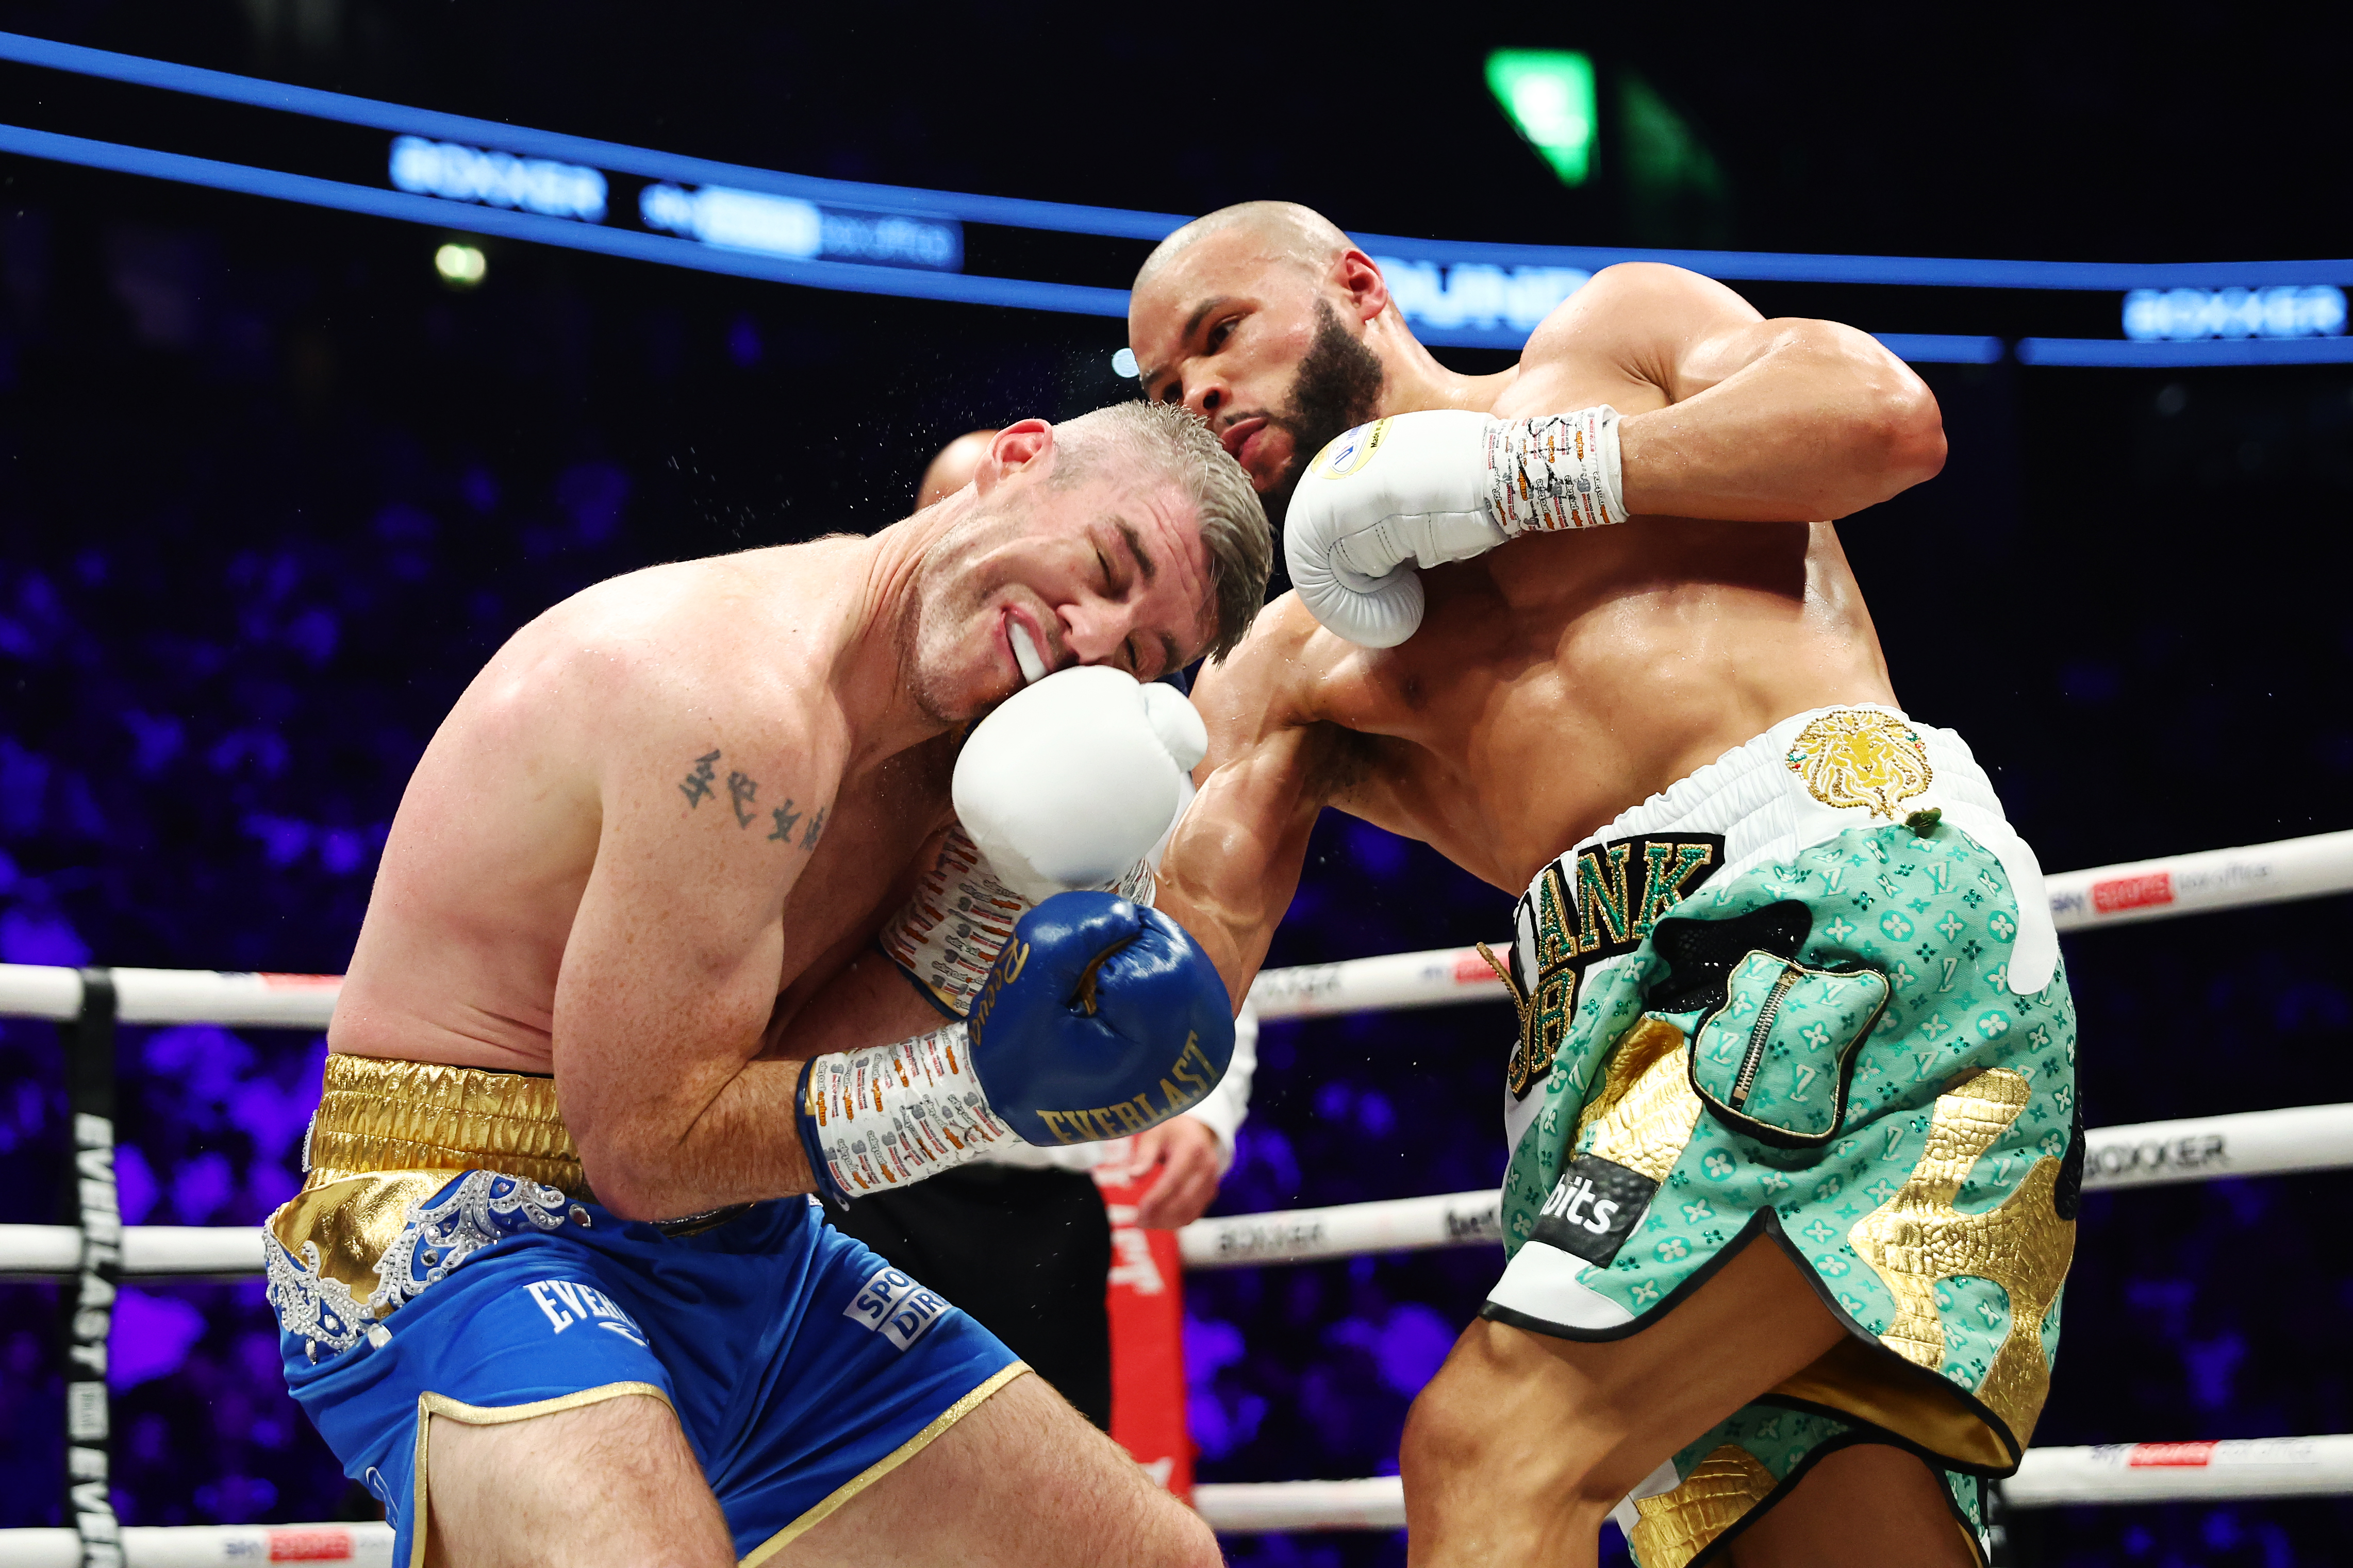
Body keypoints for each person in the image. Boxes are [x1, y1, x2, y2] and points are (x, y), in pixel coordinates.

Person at [1131, 202, 2078, 1567]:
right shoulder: (1288, 664)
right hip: (1598, 1047)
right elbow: (1181, 960)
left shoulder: (1609, 342)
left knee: (1489, 1451)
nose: (1200, 394)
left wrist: (1527, 475)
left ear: (1355, 285)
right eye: (1165, 388)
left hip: (1843, 915)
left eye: (1220, 335)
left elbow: (1885, 424)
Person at [262, 401, 1272, 1568]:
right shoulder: (734, 698)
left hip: (739, 1244)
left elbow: (786, 1087)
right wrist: (981, 1085)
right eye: (1104, 566)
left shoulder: (969, 761)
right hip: (457, 1225)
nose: (1091, 637)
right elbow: (644, 1149)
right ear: (1016, 459)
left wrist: (989, 905)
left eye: (1141, 654)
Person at [831, 431, 1256, 1430]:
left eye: (1142, 642)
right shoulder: (848, 704)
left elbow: (1201, 931)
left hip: (1039, 1192)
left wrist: (1204, 1108)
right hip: (845, 1166)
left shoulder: (1121, 750)